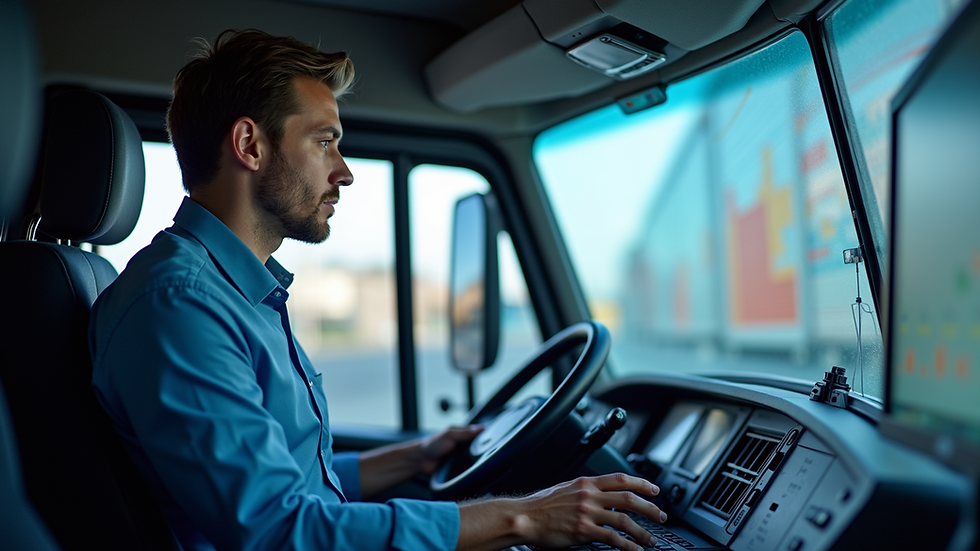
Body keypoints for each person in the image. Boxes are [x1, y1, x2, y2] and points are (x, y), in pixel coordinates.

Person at [89, 29, 668, 551]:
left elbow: (290, 476)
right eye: (324, 142)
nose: (344, 171)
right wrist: (521, 519)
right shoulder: (180, 304)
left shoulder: (227, 291)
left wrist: (411, 458)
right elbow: (277, 532)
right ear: (250, 145)